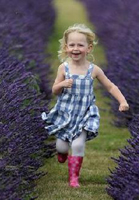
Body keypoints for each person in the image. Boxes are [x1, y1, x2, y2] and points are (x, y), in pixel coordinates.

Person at [41, 24, 129, 188]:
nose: (75, 48)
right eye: (72, 45)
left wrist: (122, 101)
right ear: (66, 47)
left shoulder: (93, 70)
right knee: (61, 145)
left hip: (84, 113)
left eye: (80, 45)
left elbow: (110, 86)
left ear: (88, 48)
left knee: (78, 144)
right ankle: (62, 153)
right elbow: (54, 90)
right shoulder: (64, 68)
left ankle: (74, 177)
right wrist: (62, 85)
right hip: (65, 113)